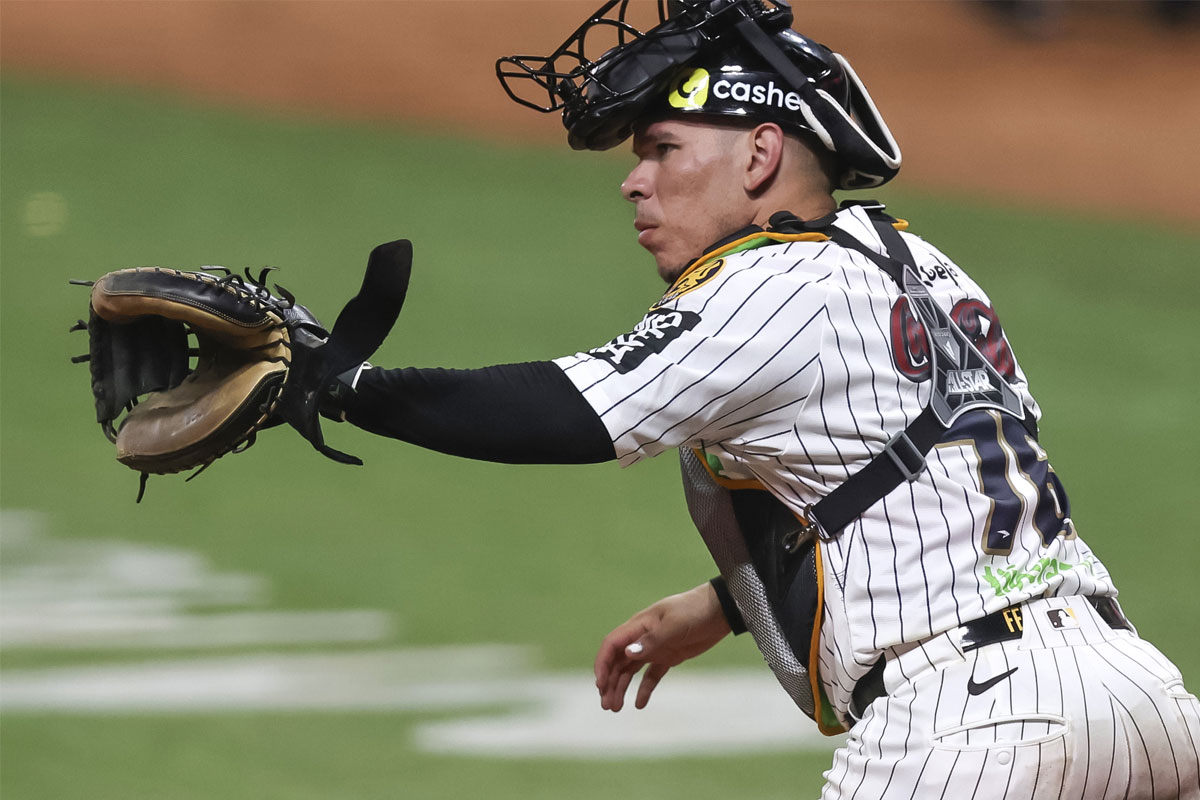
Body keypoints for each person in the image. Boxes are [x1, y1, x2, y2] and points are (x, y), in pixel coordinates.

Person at [322, 1, 1200, 796]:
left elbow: (570, 411)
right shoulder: (921, 265)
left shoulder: (772, 282)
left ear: (760, 153)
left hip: (975, 732)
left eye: (663, 149)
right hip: (1142, 699)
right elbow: (922, 488)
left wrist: (348, 389)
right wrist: (728, 604)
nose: (634, 182)